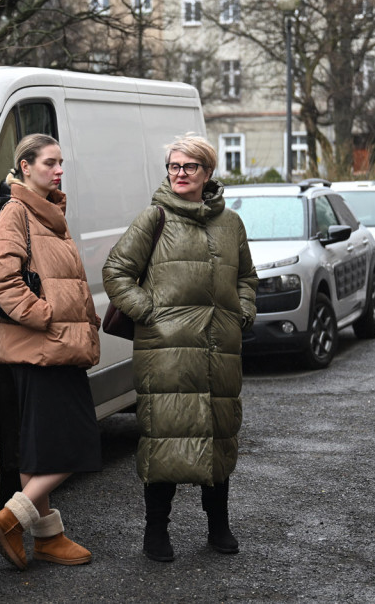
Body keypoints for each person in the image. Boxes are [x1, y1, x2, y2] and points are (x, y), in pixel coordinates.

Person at [101, 135, 257, 562]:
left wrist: (242, 310)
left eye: (189, 167)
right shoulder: (154, 217)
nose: (180, 173)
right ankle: (156, 532)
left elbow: (246, 276)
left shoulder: (231, 224)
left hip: (219, 348)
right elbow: (116, 272)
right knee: (164, 437)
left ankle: (218, 525)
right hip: (166, 351)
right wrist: (150, 313)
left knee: (219, 434)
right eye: (174, 166)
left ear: (208, 173)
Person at [0, 134, 102, 571]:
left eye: (60, 162)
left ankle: (48, 538)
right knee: (77, 445)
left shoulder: (49, 211)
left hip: (54, 346)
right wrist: (45, 315)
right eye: (50, 163)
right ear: (25, 166)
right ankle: (11, 517)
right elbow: (2, 280)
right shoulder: (17, 212)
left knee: (38, 451)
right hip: (46, 345)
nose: (58, 170)